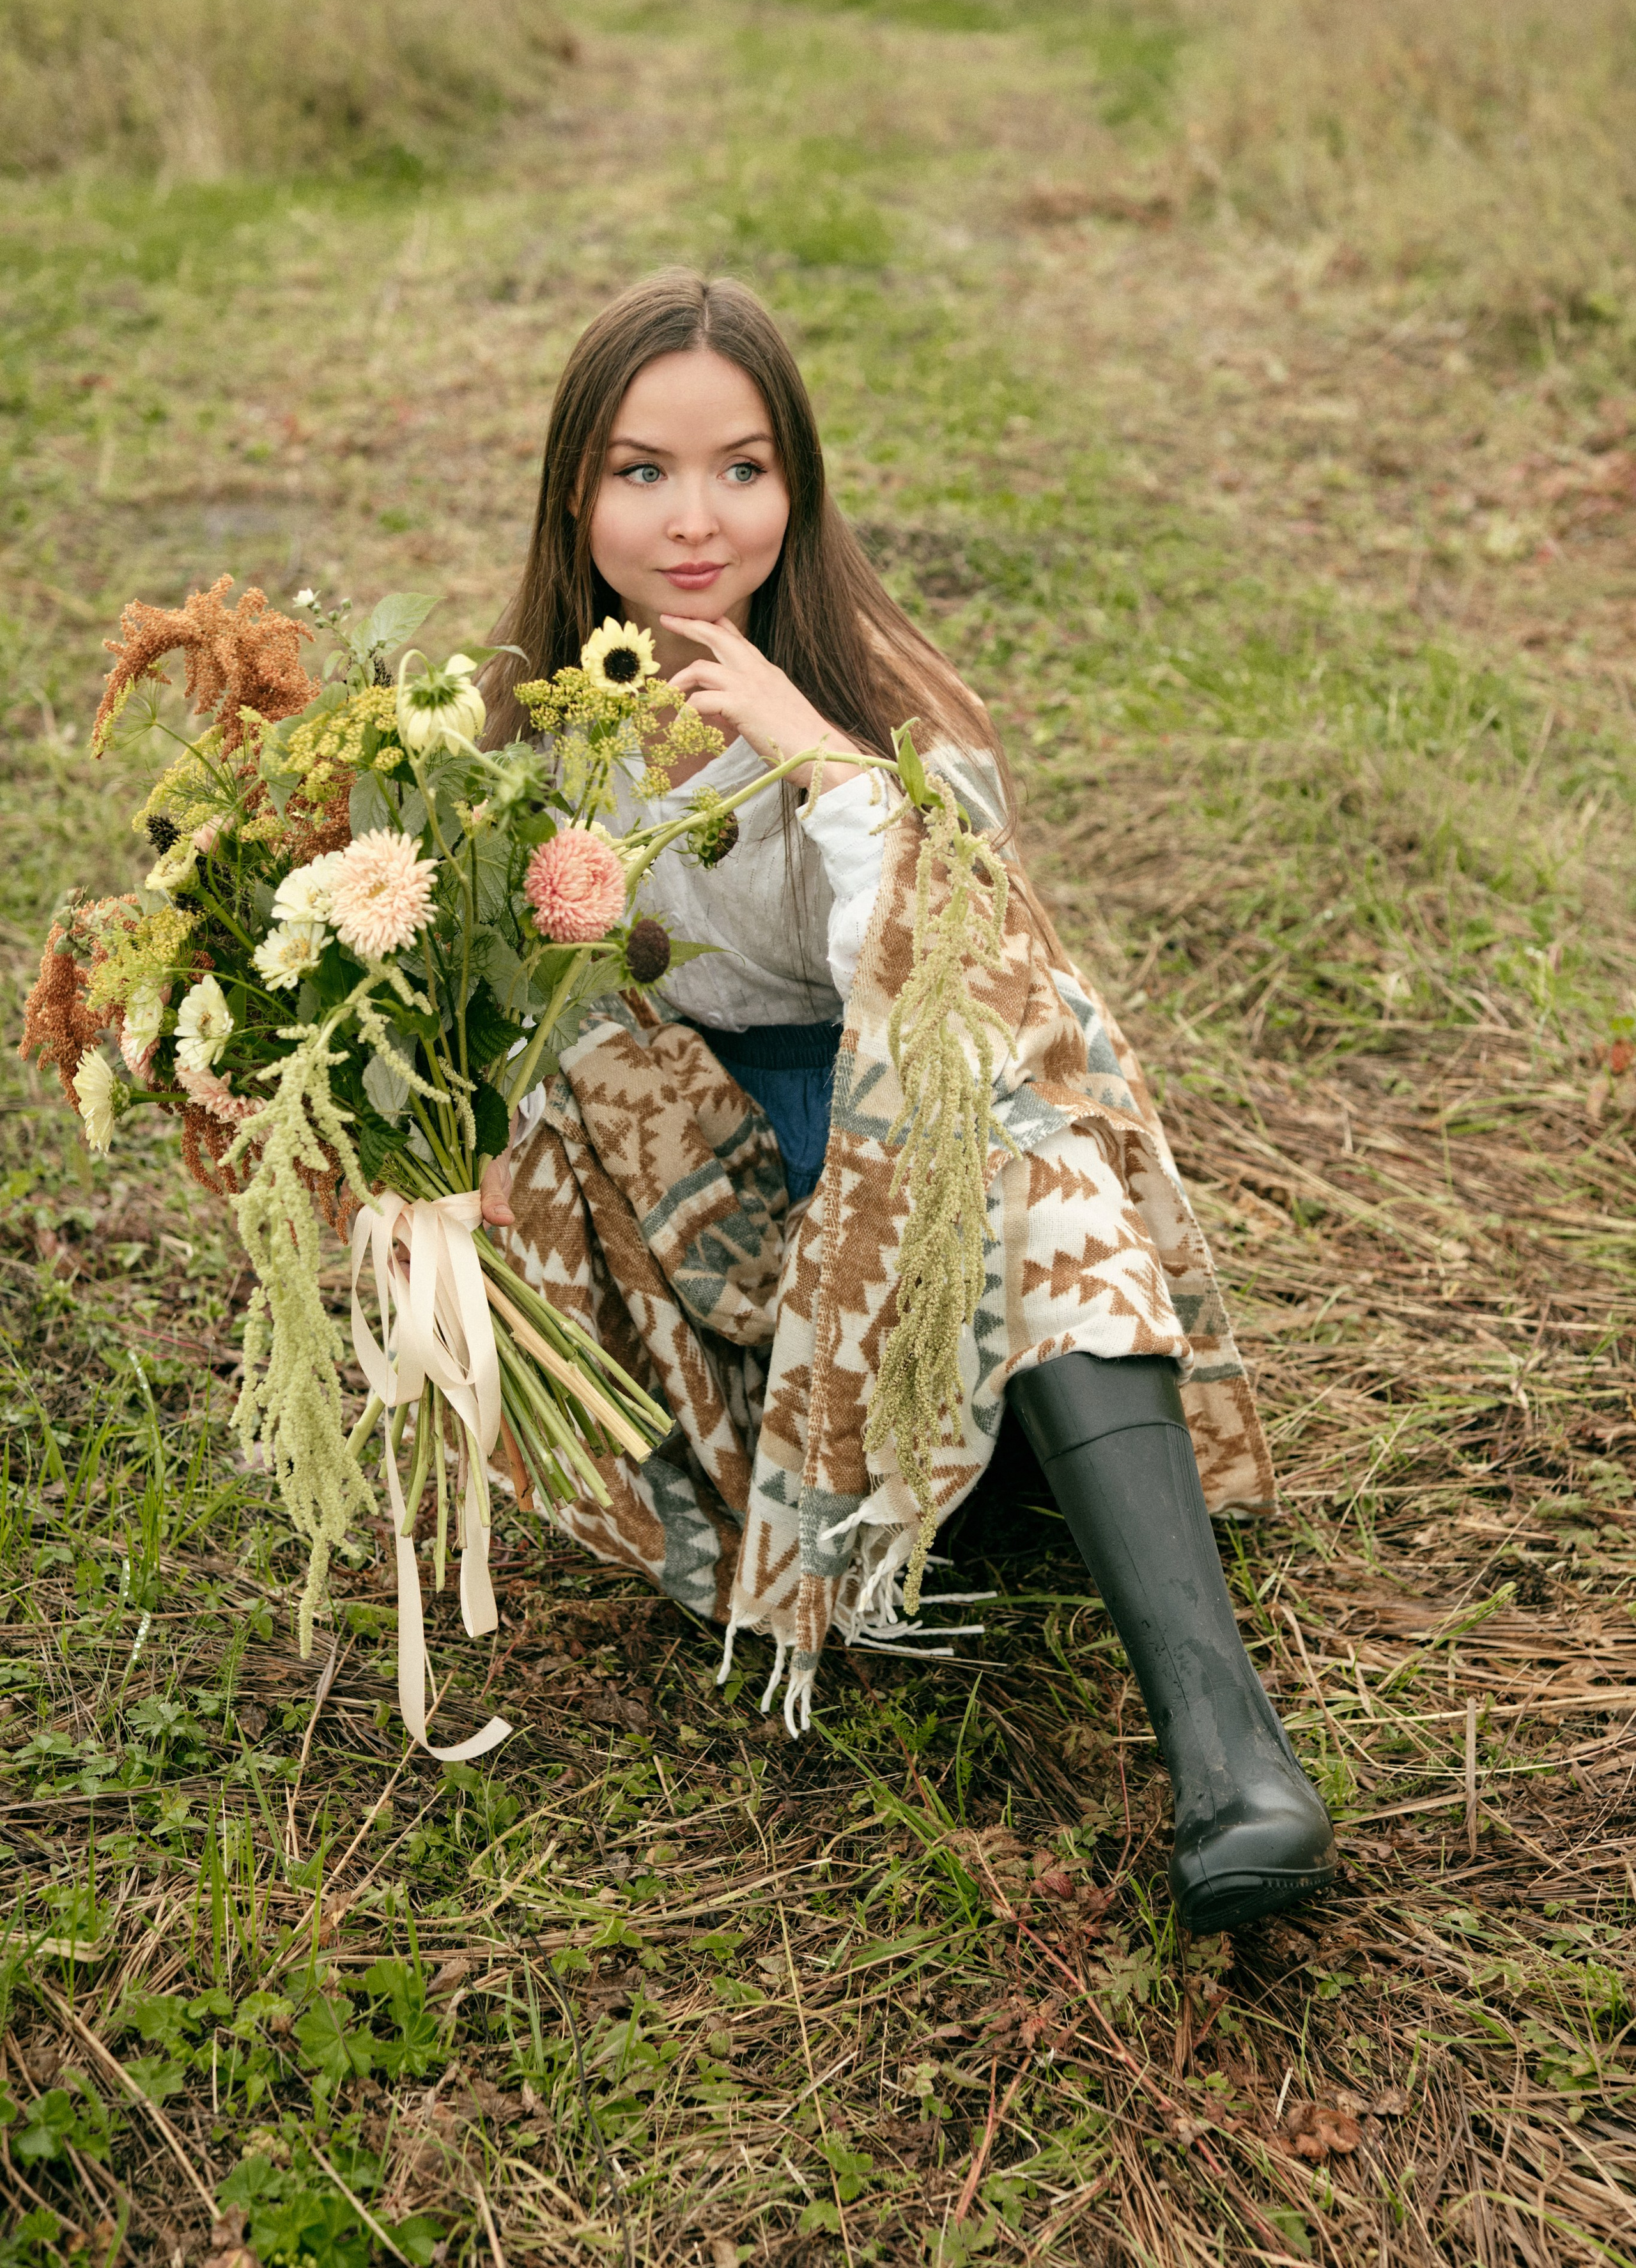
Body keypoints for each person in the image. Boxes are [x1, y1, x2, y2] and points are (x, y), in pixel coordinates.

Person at [477, 270, 1336, 1933]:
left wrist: (824, 765)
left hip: (928, 1157)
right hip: (715, 1211)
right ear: (575, 491)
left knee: (1019, 1153)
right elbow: (511, 1019)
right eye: (641, 471)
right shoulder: (530, 732)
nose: (694, 520)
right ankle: (854, 1513)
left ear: (798, 484)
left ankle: (1235, 1758)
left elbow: (947, 984)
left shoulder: (882, 705)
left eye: (743, 467)